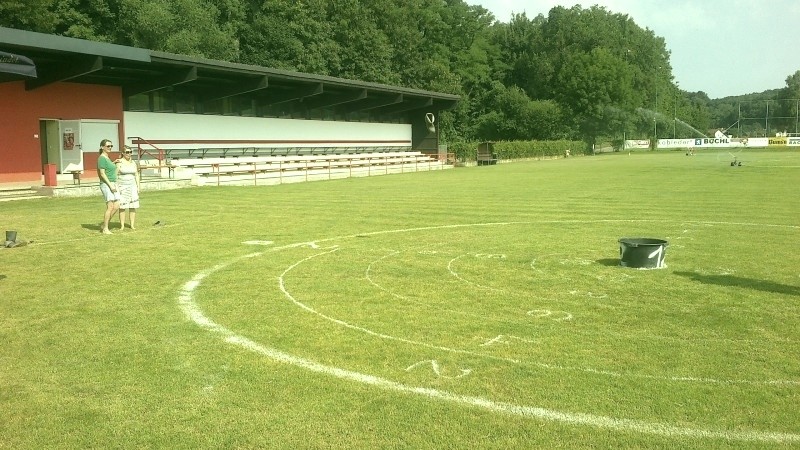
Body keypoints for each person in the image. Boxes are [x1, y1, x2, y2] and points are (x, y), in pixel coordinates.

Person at [97, 139, 119, 234]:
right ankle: (105, 228)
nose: (110, 147)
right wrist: (110, 185)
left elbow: (108, 168)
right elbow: (102, 173)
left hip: (113, 183)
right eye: (108, 146)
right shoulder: (101, 158)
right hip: (107, 184)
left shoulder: (107, 158)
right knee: (110, 206)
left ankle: (104, 224)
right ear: (102, 147)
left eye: (111, 146)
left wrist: (114, 163)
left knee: (117, 205)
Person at [116, 146, 140, 230]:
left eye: (130, 152)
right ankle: (122, 225)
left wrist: (138, 186)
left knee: (132, 206)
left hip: (132, 186)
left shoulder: (133, 163)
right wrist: (116, 187)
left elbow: (136, 174)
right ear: (123, 153)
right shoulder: (119, 162)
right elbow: (115, 175)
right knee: (122, 206)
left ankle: (132, 225)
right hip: (122, 186)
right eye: (127, 152)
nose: (129, 154)